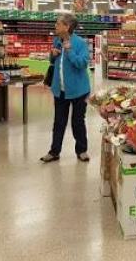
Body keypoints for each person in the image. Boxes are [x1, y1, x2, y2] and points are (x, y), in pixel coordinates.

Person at [40, 13, 91, 163]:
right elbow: (54, 62)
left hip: (78, 90)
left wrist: (69, 51)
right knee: (59, 122)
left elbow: (82, 63)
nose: (55, 26)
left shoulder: (80, 43)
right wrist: (52, 54)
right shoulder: (57, 40)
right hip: (60, 89)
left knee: (78, 122)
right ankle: (54, 151)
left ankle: (82, 150)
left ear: (66, 27)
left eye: (58, 24)